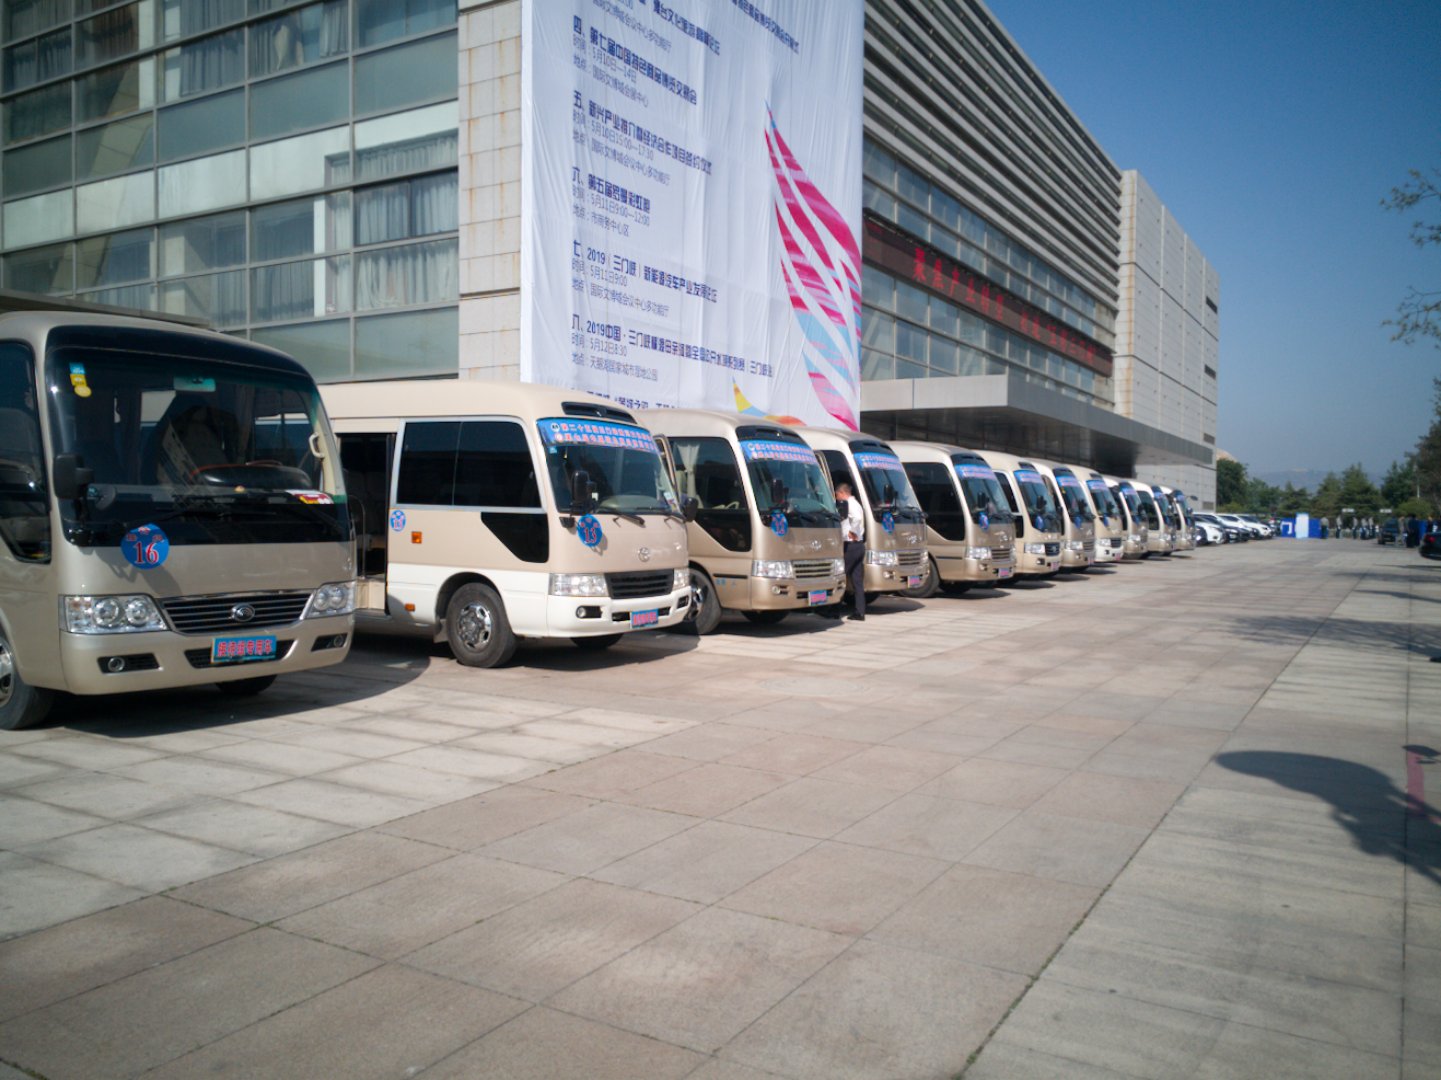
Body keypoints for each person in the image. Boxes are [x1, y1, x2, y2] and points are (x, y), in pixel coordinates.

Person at [836, 480, 866, 622]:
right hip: (859, 546)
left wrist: (852, 531)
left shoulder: (850, 504)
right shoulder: (857, 504)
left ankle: (833, 609)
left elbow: (857, 519)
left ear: (842, 493)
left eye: (837, 495)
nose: (837, 498)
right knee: (857, 581)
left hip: (851, 546)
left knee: (840, 576)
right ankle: (860, 612)